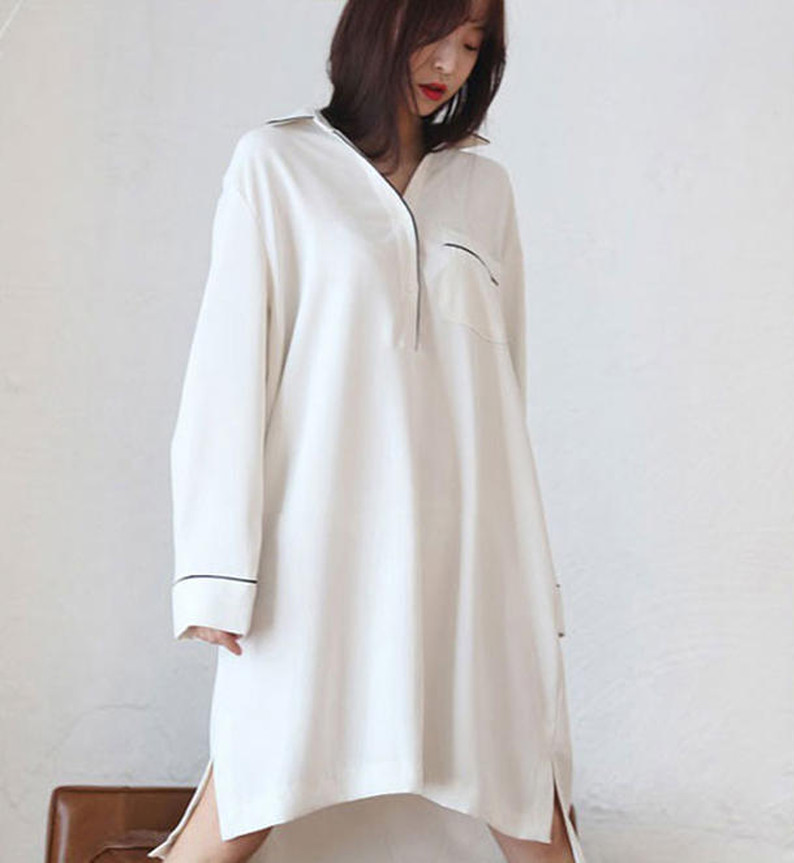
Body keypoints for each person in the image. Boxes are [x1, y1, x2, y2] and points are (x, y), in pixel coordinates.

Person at [148, 0, 587, 861]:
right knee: (249, 795)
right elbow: (226, 377)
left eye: (473, 45)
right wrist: (214, 572)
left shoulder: (484, 190)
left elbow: (505, 391)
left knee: (525, 794)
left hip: (465, 558)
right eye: (435, 34)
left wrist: (524, 574)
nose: (450, 65)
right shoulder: (277, 165)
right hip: (316, 553)